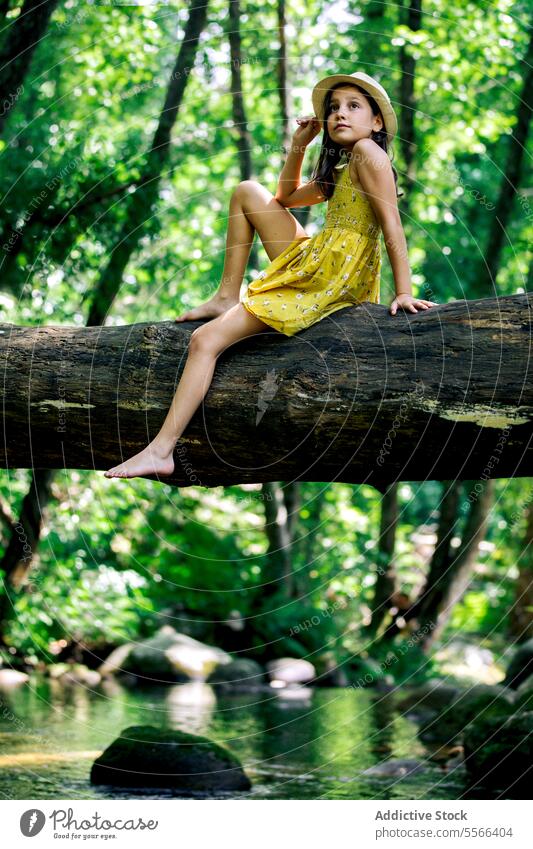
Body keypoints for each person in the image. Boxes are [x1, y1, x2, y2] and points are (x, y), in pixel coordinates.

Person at [104, 71, 438, 480]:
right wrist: (298, 147)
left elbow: (392, 226)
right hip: (318, 259)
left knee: (204, 340)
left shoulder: (370, 152)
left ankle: (162, 450)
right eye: (333, 108)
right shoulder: (345, 163)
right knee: (248, 191)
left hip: (331, 277)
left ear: (377, 122)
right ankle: (227, 295)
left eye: (354, 106)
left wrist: (403, 292)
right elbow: (284, 199)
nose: (339, 114)